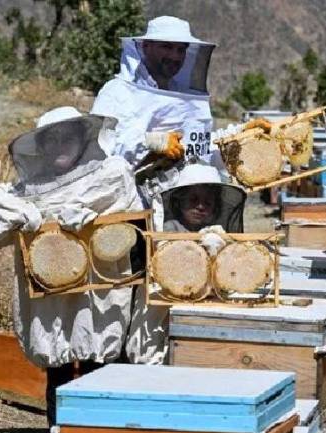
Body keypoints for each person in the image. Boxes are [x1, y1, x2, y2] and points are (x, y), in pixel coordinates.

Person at [0, 106, 142, 433]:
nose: (59, 145)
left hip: (97, 295)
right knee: (59, 370)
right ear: (40, 146)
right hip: (51, 295)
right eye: (50, 139)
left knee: (97, 368)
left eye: (66, 136)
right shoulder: (30, 188)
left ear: (83, 138)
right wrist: (28, 215)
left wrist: (89, 214)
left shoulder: (110, 175)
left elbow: (130, 212)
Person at [91, 16, 227, 366]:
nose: (175, 56)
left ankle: (161, 368)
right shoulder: (117, 92)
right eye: (167, 47)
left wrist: (232, 144)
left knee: (174, 291)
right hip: (129, 212)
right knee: (123, 297)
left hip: (181, 212)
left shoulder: (191, 97)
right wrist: (150, 143)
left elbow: (202, 148)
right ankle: (116, 371)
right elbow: (100, 146)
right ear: (145, 46)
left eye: (181, 50)